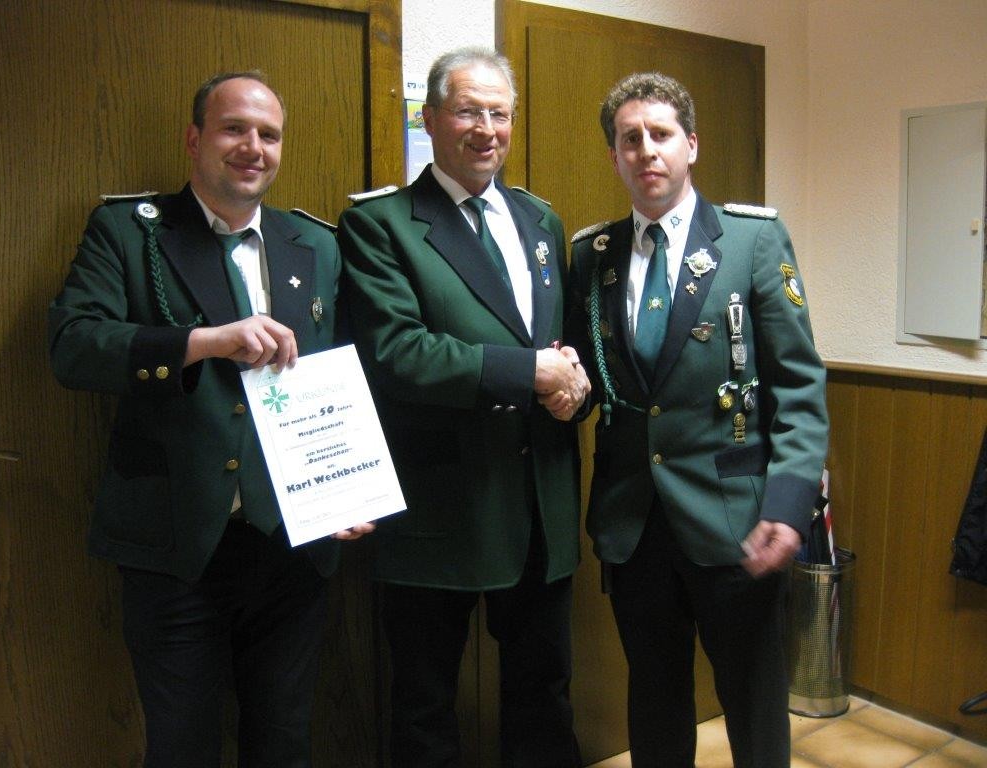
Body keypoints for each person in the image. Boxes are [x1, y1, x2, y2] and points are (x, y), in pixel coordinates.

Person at [48, 71, 371, 768]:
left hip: (290, 546)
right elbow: (74, 346)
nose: (253, 147)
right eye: (234, 129)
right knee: (182, 748)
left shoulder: (314, 245)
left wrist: (344, 489)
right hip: (176, 543)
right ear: (194, 139)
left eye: (269, 134)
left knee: (283, 744)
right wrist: (204, 342)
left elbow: (333, 378)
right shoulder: (129, 233)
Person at [566, 72, 828, 768]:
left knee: (754, 703)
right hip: (634, 521)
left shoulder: (751, 241)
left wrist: (789, 504)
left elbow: (799, 385)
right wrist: (567, 390)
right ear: (615, 156)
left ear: (691, 145)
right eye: (630, 139)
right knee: (654, 702)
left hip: (736, 518)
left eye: (660, 134)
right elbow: (589, 375)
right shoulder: (593, 256)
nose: (646, 151)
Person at [337, 47, 588, 767]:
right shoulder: (382, 224)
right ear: (429, 118)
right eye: (467, 111)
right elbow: (397, 354)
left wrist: (573, 388)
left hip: (538, 504)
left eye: (499, 113)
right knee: (424, 707)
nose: (486, 129)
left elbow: (561, 343)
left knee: (545, 693)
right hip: (438, 506)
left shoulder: (541, 220)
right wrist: (531, 372)